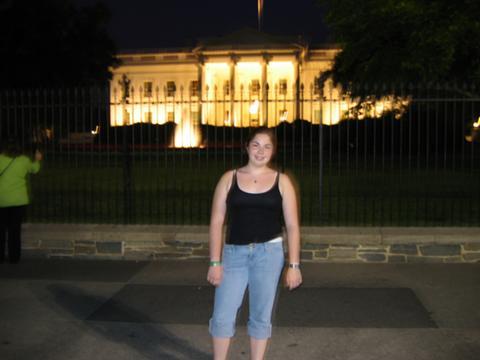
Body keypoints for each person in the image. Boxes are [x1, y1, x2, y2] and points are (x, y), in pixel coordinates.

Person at [207, 126, 302, 360]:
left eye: (267, 146)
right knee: (222, 315)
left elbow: (292, 226)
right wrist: (215, 262)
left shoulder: (283, 181)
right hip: (233, 255)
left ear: (273, 151)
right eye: (256, 145)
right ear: (247, 147)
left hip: (269, 255)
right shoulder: (229, 178)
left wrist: (294, 266)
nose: (261, 151)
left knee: (261, 315)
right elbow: (217, 222)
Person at [0, 139, 42, 264]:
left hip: (1, 200)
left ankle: (0, 257)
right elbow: (34, 169)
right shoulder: (24, 160)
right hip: (19, 201)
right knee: (15, 230)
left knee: (0, 230)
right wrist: (38, 159)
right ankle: (14, 257)